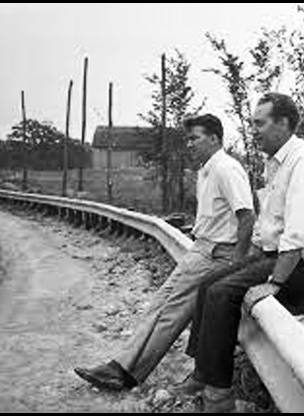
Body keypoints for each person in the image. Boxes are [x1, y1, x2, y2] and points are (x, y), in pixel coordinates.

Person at [180, 93, 304, 413]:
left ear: (283, 123)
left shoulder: (303, 160)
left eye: (260, 123)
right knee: (209, 284)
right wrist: (248, 260)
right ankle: (202, 373)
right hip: (282, 255)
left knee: (222, 293)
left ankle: (219, 395)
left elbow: (297, 232)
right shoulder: (275, 162)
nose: (253, 130)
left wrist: (275, 283)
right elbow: (271, 224)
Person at [74, 114, 256, 391]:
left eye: (194, 138)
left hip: (217, 253)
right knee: (161, 304)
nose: (189, 144)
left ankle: (123, 371)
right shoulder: (208, 169)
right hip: (202, 248)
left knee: (170, 310)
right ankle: (123, 367)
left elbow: (247, 216)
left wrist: (236, 264)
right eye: (189, 138)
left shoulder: (226, 168)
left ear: (215, 138)